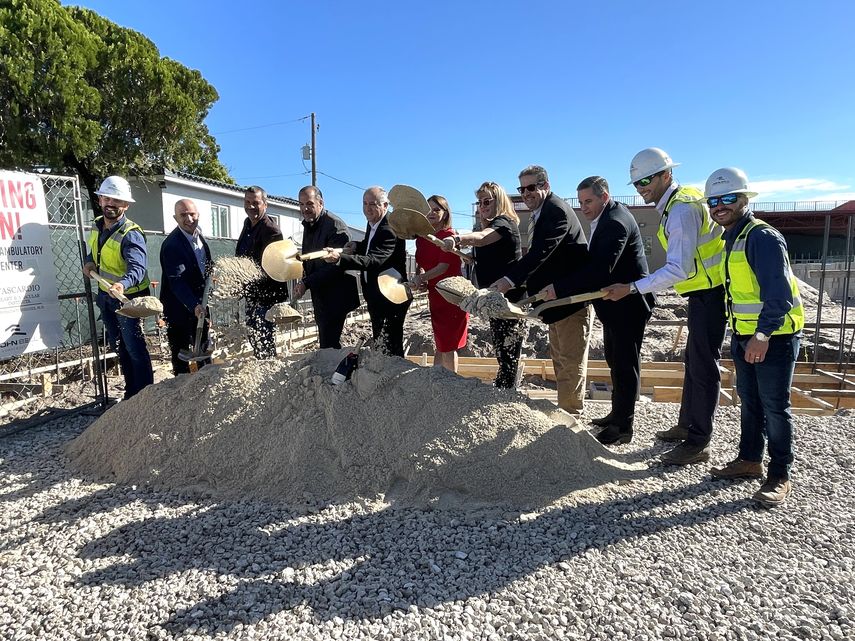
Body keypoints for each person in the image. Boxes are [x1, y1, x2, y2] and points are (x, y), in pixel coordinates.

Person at [603, 148, 726, 466]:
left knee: (703, 368)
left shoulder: (682, 210)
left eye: (646, 179)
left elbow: (678, 270)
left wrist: (631, 288)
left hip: (710, 293)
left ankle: (698, 442)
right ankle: (687, 425)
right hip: (701, 294)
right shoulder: (677, 204)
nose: (641, 187)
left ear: (666, 175)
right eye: (636, 183)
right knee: (693, 363)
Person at [704, 167, 803, 508]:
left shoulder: (762, 237)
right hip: (746, 334)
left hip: (773, 336)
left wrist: (762, 335)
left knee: (776, 407)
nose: (719, 206)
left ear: (744, 199)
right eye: (714, 201)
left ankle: (780, 474)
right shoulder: (732, 237)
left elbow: (779, 294)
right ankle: (749, 459)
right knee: (750, 401)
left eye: (728, 199)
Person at [544, 177, 656, 444]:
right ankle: (616, 414)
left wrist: (560, 288)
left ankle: (623, 427)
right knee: (614, 361)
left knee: (626, 366)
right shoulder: (606, 217)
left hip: (628, 306)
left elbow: (600, 270)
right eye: (581, 202)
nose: (584, 207)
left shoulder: (615, 222)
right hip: (614, 305)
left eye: (589, 201)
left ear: (604, 197)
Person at [492, 166, 591, 414]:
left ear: (545, 186)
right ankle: (566, 414)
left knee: (570, 364)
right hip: (554, 304)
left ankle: (571, 420)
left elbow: (540, 253)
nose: (526, 193)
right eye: (522, 189)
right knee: (561, 361)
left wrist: (509, 280)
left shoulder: (555, 211)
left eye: (531, 187)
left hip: (569, 301)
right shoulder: (541, 213)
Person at [82, 176, 154, 399]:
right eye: (106, 198)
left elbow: (137, 268)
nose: (110, 204)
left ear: (126, 205)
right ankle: (131, 391)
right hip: (106, 295)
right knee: (118, 344)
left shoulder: (130, 233)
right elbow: (96, 252)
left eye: (116, 200)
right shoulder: (96, 225)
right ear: (100, 199)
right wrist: (89, 261)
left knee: (133, 346)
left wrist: (122, 284)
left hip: (128, 299)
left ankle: (144, 394)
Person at [450, 182, 523, 388]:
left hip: (508, 298)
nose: (482, 206)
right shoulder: (491, 225)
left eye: (487, 201)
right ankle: (505, 386)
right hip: (494, 297)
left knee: (508, 346)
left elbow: (481, 239)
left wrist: (458, 239)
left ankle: (507, 390)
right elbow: (484, 252)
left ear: (498, 201)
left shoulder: (504, 222)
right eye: (479, 203)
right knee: (502, 345)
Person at [324, 186, 410, 356]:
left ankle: (393, 377)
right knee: (381, 340)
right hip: (377, 294)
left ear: (385, 205)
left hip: (391, 295)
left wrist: (339, 259)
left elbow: (374, 260)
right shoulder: (374, 223)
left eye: (373, 204)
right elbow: (371, 246)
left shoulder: (390, 228)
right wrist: (357, 246)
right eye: (365, 203)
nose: (367, 208)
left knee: (390, 344)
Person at [294, 186, 359, 349]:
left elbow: (336, 266)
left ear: (320, 202)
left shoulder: (334, 225)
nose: (305, 209)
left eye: (309, 203)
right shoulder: (310, 224)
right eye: (301, 204)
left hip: (336, 293)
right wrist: (304, 279)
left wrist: (307, 283)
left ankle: (336, 373)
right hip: (321, 293)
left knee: (328, 343)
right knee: (327, 341)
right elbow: (311, 260)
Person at [411, 194, 469, 373]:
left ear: (445, 213)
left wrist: (422, 278)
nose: (432, 213)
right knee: (440, 342)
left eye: (436, 210)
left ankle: (451, 385)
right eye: (428, 210)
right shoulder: (422, 238)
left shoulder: (449, 236)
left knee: (448, 344)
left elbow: (442, 267)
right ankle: (437, 381)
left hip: (452, 295)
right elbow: (421, 262)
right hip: (435, 295)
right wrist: (421, 276)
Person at [235, 185, 289, 359]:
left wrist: (247, 275)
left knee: (263, 336)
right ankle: (262, 362)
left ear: (265, 204)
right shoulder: (247, 224)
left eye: (256, 203)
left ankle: (268, 367)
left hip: (265, 295)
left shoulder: (271, 231)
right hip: (250, 293)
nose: (251, 206)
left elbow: (272, 266)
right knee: (254, 335)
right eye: (247, 202)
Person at [159, 198, 212, 375]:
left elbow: (205, 267)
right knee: (180, 351)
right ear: (175, 218)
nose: (189, 219)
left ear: (198, 215)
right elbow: (177, 280)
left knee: (203, 346)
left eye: (192, 214)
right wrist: (193, 305)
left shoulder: (200, 237)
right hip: (178, 307)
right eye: (183, 215)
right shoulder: (172, 245)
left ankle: (207, 383)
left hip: (200, 303)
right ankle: (180, 390)